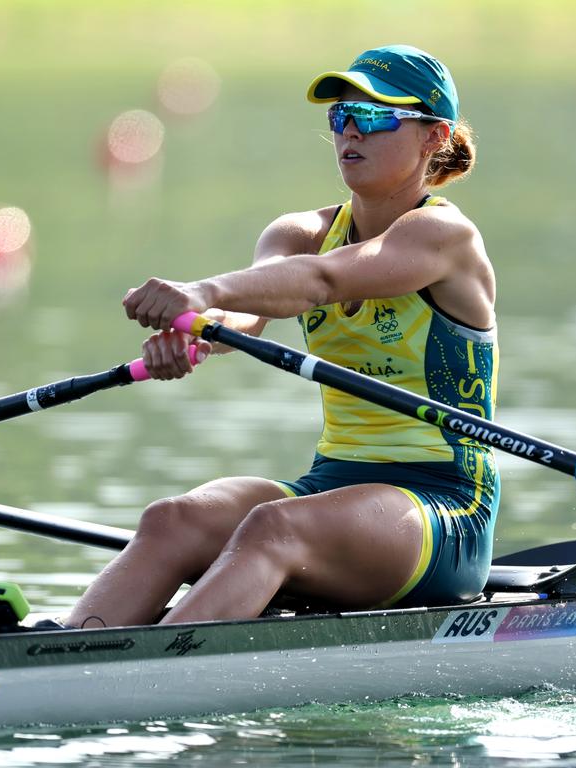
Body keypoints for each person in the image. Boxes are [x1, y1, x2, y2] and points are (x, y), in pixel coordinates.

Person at [64, 44, 499, 629]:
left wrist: (204, 292)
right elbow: (245, 323)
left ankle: (153, 669)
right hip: (331, 485)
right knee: (172, 519)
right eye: (340, 118)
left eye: (373, 117)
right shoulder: (296, 233)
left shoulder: (444, 237)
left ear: (432, 136)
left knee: (273, 526)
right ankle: (67, 651)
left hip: (443, 507)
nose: (351, 133)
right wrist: (195, 336)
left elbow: (322, 281)